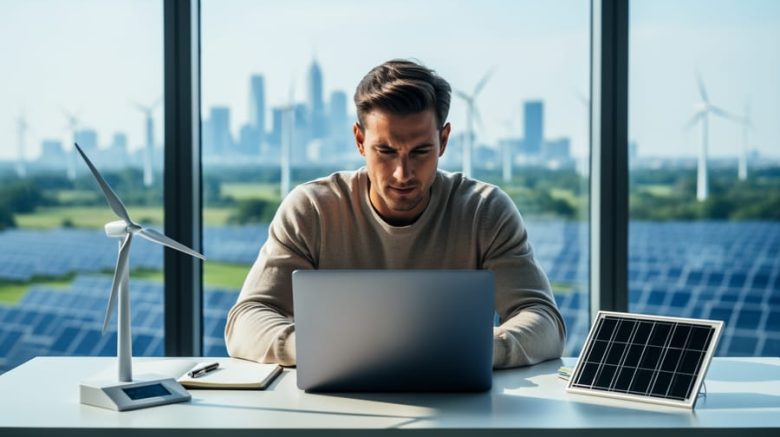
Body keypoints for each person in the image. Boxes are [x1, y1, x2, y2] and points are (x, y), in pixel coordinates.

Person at [225, 59, 565, 369]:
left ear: (443, 141)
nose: (403, 173)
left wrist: (480, 349)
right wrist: (319, 349)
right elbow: (246, 320)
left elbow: (544, 320)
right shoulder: (311, 209)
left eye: (420, 152)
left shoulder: (484, 210)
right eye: (385, 151)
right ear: (359, 141)